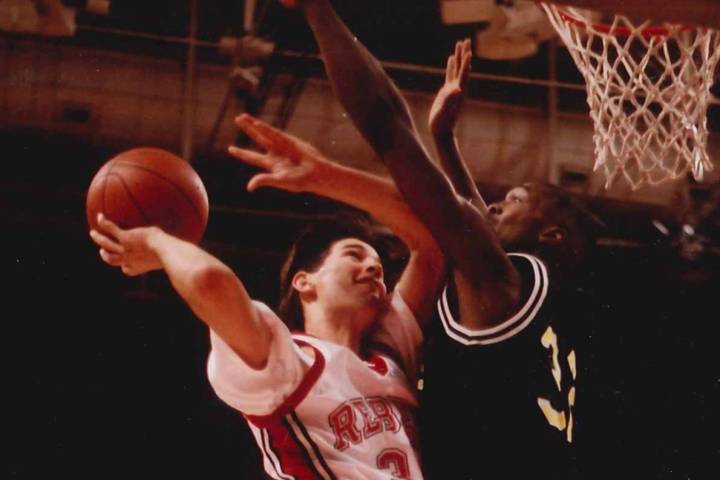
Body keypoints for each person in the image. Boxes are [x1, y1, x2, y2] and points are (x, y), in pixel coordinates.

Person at [280, 1, 600, 477]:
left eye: (512, 200)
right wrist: (444, 141)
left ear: (549, 234)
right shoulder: (530, 302)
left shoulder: (500, 283)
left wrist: (317, 11)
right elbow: (468, 219)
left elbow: (387, 125)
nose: (493, 204)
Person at [89, 115, 444, 480]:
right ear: (304, 282)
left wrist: (326, 176)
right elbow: (211, 281)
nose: (373, 269)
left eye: (379, 268)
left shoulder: (390, 355)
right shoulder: (287, 361)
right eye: (355, 255)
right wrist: (156, 242)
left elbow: (431, 240)